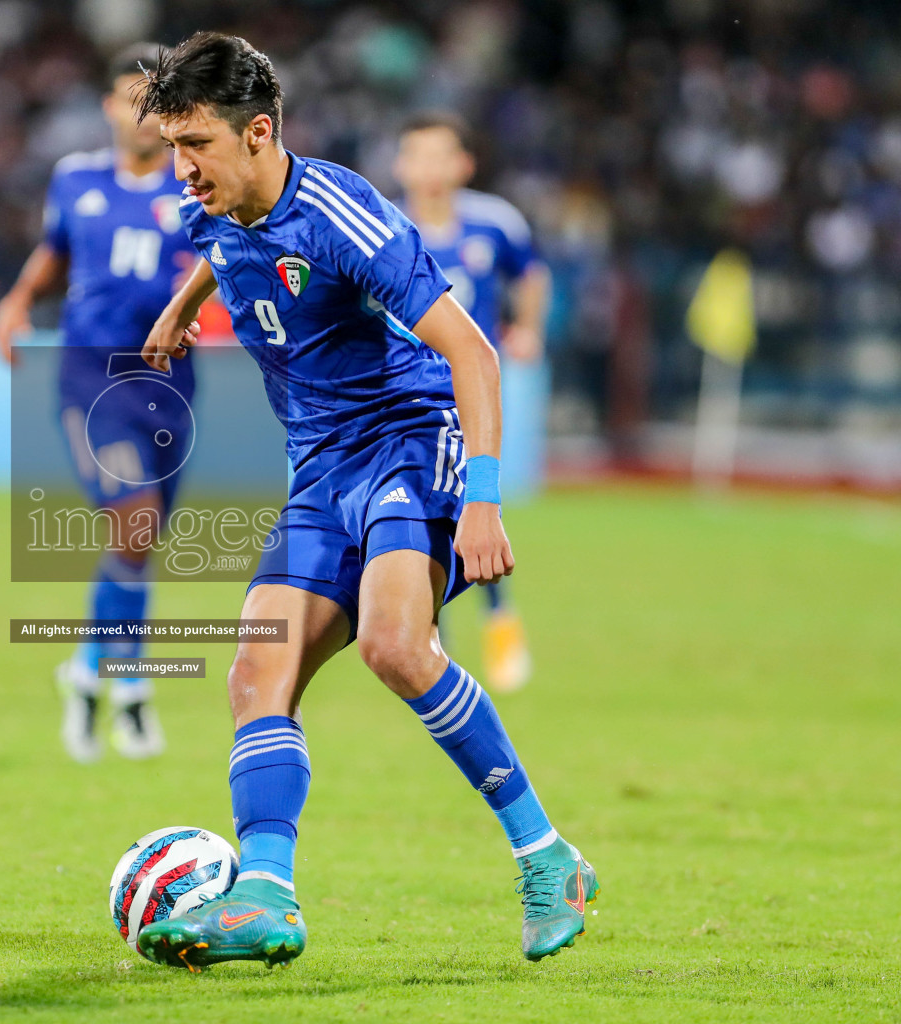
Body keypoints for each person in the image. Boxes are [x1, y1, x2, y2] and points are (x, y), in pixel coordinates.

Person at [129, 33, 599, 970]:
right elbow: (222, 250)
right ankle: (266, 894)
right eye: (173, 146)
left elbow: (473, 351)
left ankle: (550, 859)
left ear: (259, 133)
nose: (179, 169)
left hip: (409, 440)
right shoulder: (209, 212)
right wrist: (183, 308)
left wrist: (485, 502)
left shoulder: (345, 214)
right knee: (255, 675)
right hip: (319, 470)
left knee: (394, 644)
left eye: (197, 146)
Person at [0, 44, 198, 763]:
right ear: (109, 107)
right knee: (134, 523)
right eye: (128, 98)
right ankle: (132, 691)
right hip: (89, 380)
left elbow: (224, 267)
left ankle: (84, 668)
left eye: (154, 99)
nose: (139, 112)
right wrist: (18, 299)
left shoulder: (194, 182)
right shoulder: (74, 179)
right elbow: (53, 250)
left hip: (172, 383)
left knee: (135, 545)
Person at [393, 110, 551, 692]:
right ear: (400, 165)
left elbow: (531, 275)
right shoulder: (382, 226)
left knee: (473, 506)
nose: (430, 169)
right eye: (418, 156)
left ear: (464, 164)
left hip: (469, 395)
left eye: (442, 156)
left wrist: (528, 328)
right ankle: (441, 640)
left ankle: (499, 621)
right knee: (420, 515)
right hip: (401, 397)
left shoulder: (494, 222)